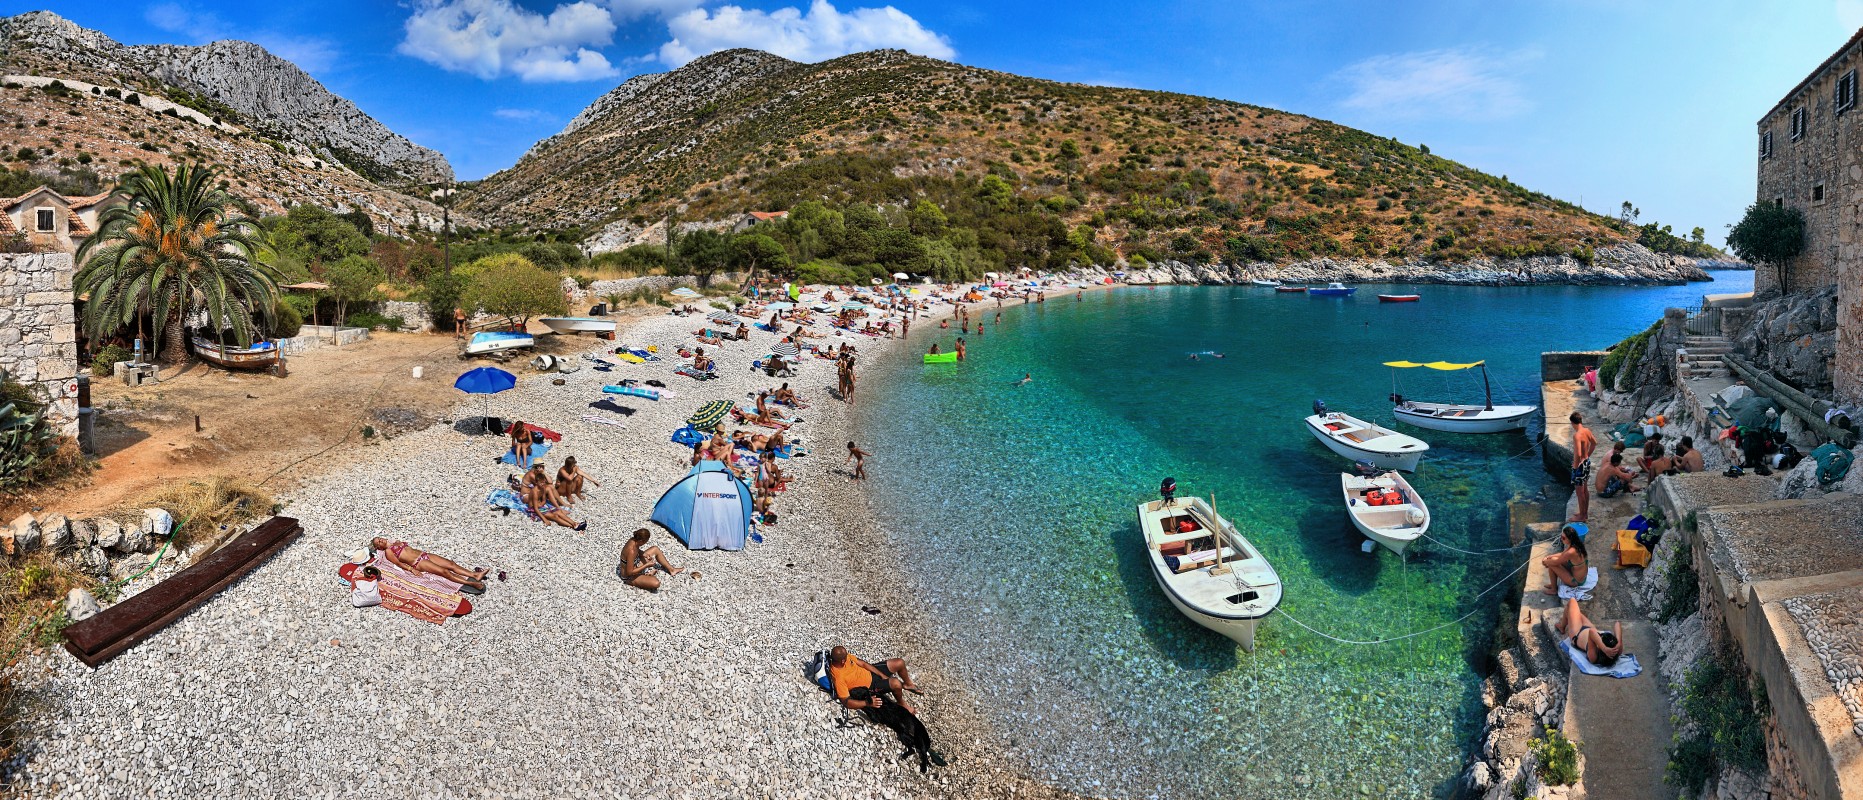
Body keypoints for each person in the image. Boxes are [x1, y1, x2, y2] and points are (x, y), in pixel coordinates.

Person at [827, 646, 920, 714]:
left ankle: (908, 684)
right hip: (870, 686)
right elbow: (846, 701)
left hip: (870, 672)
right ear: (842, 661)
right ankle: (901, 703)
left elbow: (863, 664)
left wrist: (881, 674)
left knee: (899, 662)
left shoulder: (845, 658)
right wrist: (867, 703)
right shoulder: (838, 677)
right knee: (896, 683)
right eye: (846, 657)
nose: (848, 657)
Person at [371, 537, 488, 590]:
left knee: (451, 564)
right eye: (379, 542)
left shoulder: (395, 543)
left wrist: (399, 543)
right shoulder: (388, 551)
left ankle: (475, 575)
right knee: (444, 572)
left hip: (424, 555)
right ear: (378, 547)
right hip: (419, 563)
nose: (381, 540)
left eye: (380, 538)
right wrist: (412, 570)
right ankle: (471, 584)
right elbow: (399, 563)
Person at [1559, 596, 1623, 668]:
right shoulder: (1617, 650)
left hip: (1577, 633)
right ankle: (1562, 626)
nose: (1600, 635)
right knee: (1572, 610)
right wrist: (1619, 642)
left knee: (1572, 601)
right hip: (1588, 627)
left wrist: (1604, 648)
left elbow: (1592, 632)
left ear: (1599, 647)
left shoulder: (1594, 657)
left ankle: (1562, 627)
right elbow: (1617, 624)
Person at [618, 528, 684, 592]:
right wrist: (647, 565)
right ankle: (642, 576)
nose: (645, 544)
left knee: (655, 549)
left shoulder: (634, 540)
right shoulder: (631, 551)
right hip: (629, 576)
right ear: (641, 541)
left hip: (635, 564)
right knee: (656, 583)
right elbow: (630, 572)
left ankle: (671, 570)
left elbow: (636, 550)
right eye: (645, 542)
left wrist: (643, 553)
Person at [524, 465, 587, 530]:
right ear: (536, 483)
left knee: (559, 512)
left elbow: (544, 500)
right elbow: (535, 508)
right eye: (541, 483)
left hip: (541, 506)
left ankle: (575, 523)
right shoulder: (535, 491)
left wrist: (542, 504)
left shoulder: (542, 488)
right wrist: (545, 519)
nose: (543, 484)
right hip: (533, 509)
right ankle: (574, 527)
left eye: (543, 482)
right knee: (555, 517)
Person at [1540, 524, 1589, 595]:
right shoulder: (1576, 545)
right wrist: (1548, 556)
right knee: (1551, 560)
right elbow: (1562, 554)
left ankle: (1554, 590)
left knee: (1551, 564)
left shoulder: (1571, 552)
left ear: (1570, 539)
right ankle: (1553, 584)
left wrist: (1545, 561)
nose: (1561, 539)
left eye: (1563, 538)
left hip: (1576, 582)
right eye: (1561, 536)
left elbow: (1556, 562)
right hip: (1577, 574)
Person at [1570, 412, 1596, 523]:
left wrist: (1575, 467)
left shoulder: (1577, 435)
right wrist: (1587, 457)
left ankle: (1582, 516)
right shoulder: (1587, 431)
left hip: (1579, 467)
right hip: (1587, 462)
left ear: (1572, 423)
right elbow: (1595, 443)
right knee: (1585, 490)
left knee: (1579, 492)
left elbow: (1578, 454)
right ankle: (1584, 513)